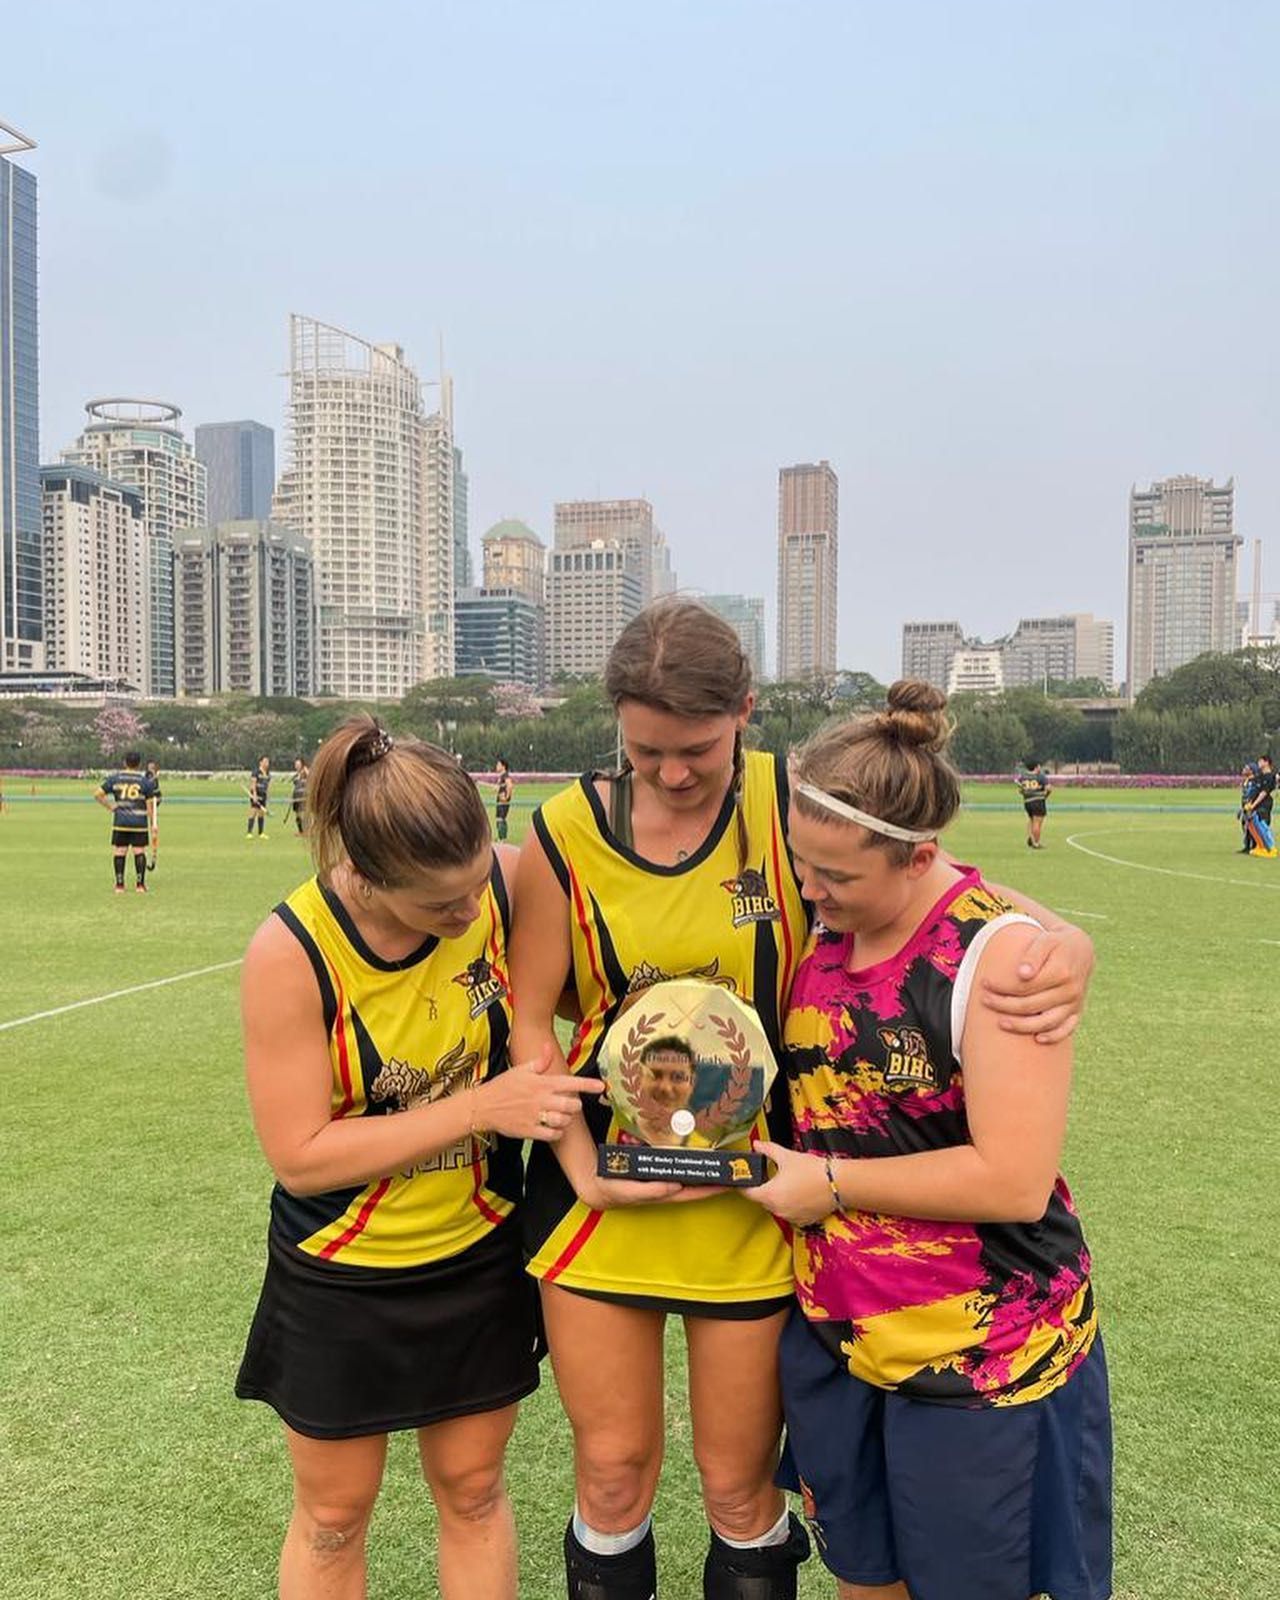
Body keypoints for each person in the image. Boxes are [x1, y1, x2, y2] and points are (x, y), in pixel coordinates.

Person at [508, 599, 1097, 1600]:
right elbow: (530, 1023)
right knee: (609, 1471)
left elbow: (948, 890)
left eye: (696, 749)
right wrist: (589, 1174)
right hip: (604, 1186)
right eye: (645, 752)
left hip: (761, 1190)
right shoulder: (565, 829)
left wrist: (1069, 944)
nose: (673, 774)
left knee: (739, 1486)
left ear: (745, 712)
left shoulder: (797, 799)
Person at [748, 681, 1111, 1600]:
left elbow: (1013, 1180)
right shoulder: (830, 914)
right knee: (862, 1581)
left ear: (917, 856)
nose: (811, 892)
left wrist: (830, 1184)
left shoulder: (999, 960)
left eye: (836, 878)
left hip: (983, 1360)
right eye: (802, 865)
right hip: (841, 1340)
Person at [236, 715, 603, 1600]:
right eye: (442, 906)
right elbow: (301, 1157)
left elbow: (601, 983)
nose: (470, 915)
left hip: (476, 1253)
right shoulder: (291, 953)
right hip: (341, 1270)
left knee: (474, 1492)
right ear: (363, 877)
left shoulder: (503, 886)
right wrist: (478, 1108)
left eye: (476, 887)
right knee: (332, 1518)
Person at [94, 751, 158, 894]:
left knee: (120, 851)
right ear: (139, 764)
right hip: (139, 823)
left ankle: (119, 885)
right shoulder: (145, 782)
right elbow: (150, 809)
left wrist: (111, 807)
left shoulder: (115, 779)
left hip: (121, 821)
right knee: (139, 851)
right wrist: (153, 824)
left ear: (125, 762)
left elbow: (97, 794)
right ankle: (140, 885)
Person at [633, 1036, 697, 1146]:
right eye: (655, 1075)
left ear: (692, 1083)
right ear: (639, 1078)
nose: (665, 1088)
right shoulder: (612, 1133)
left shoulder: (711, 1146)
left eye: (678, 1077)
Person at [1015, 757, 1051, 848]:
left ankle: (1030, 838)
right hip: (1038, 801)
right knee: (1037, 822)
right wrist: (1045, 796)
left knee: (1031, 820)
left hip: (1027, 802)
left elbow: (1020, 790)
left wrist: (1026, 792)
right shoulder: (1040, 776)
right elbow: (1048, 789)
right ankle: (1036, 843)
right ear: (1036, 767)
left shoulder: (1023, 777)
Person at [247, 756, 271, 839]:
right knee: (253, 812)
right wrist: (254, 795)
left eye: (268, 762)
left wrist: (268, 796)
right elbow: (253, 784)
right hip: (256, 795)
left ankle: (261, 833)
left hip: (263, 796)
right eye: (265, 761)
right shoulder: (256, 772)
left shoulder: (268, 774)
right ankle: (249, 832)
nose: (267, 763)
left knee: (261, 814)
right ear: (260, 762)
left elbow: (268, 786)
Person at [145, 759, 162, 870]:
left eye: (153, 766)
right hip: (150, 799)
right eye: (150, 766)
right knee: (151, 820)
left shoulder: (154, 776)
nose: (151, 768)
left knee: (153, 822)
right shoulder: (148, 775)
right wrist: (154, 777)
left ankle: (153, 827)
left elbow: (157, 789)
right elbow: (148, 785)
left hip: (155, 799)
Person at [494, 758, 514, 842]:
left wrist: (506, 798)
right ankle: (500, 838)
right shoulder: (501, 776)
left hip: (503, 801)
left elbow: (510, 786)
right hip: (499, 800)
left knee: (501, 819)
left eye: (498, 764)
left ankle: (502, 839)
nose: (496, 766)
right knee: (498, 819)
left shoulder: (505, 776)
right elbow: (502, 787)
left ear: (503, 766)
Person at [290, 756, 309, 837]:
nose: (297, 766)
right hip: (296, 798)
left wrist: (305, 770)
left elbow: (311, 777)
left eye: (298, 764)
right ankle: (301, 831)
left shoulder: (306, 773)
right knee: (297, 815)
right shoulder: (296, 775)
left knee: (304, 814)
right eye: (296, 764)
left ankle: (307, 831)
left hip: (304, 798)